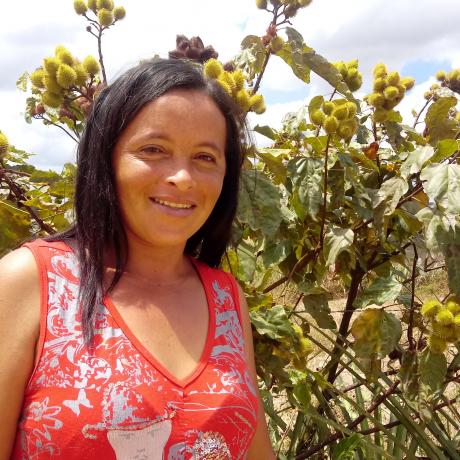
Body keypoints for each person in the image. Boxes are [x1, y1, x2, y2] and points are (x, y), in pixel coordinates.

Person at [0, 59, 276, 459]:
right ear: (105, 159)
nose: (182, 176)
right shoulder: (30, 283)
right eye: (153, 149)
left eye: (205, 157)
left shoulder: (225, 297)